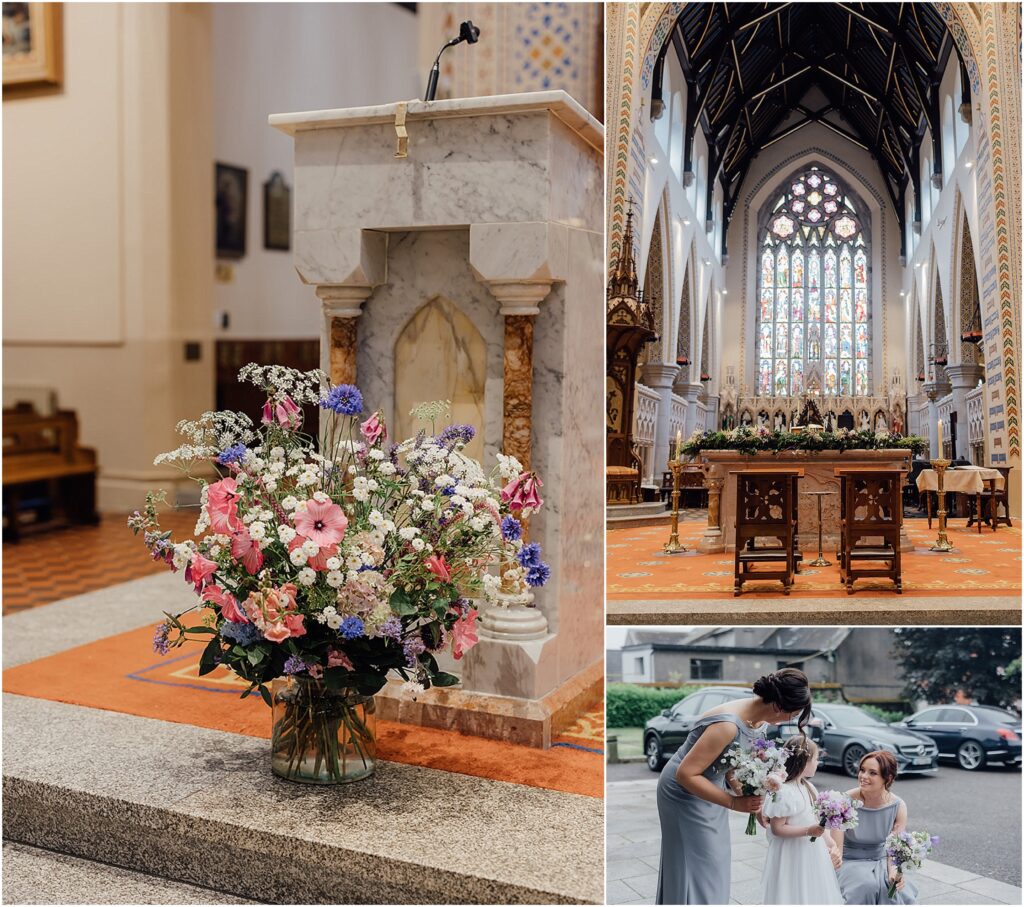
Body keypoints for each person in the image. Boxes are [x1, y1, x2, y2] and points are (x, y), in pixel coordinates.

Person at [655, 669, 813, 905]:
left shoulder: (759, 721)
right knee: (695, 861)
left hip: (710, 786)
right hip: (683, 793)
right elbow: (686, 774)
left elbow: (730, 763)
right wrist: (732, 802)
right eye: (794, 713)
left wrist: (751, 800)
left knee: (715, 859)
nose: (791, 719)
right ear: (779, 706)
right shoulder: (727, 726)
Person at [761, 736, 844, 905]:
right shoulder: (784, 791)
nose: (817, 763)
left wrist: (831, 844)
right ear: (804, 762)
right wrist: (808, 831)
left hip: (811, 850)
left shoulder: (808, 787)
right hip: (791, 852)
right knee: (791, 888)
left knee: (811, 888)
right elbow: (777, 828)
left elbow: (816, 821)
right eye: (815, 759)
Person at [833, 751, 918, 904]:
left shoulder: (898, 806)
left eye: (872, 773)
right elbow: (837, 849)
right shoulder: (844, 800)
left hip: (881, 859)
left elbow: (895, 849)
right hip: (849, 860)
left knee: (891, 889)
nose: (863, 776)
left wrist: (894, 873)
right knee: (866, 886)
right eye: (862, 770)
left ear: (888, 778)